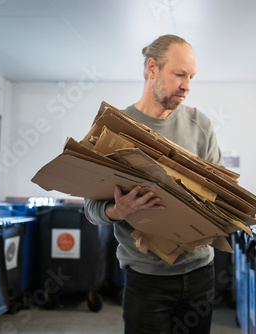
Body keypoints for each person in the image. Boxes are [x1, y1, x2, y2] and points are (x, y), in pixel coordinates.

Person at [84, 34, 224, 334]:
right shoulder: (115, 128)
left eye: (191, 77)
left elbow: (222, 194)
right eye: (179, 75)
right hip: (146, 279)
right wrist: (117, 210)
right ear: (152, 69)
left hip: (200, 272)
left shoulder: (201, 125)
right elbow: (90, 209)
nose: (187, 85)